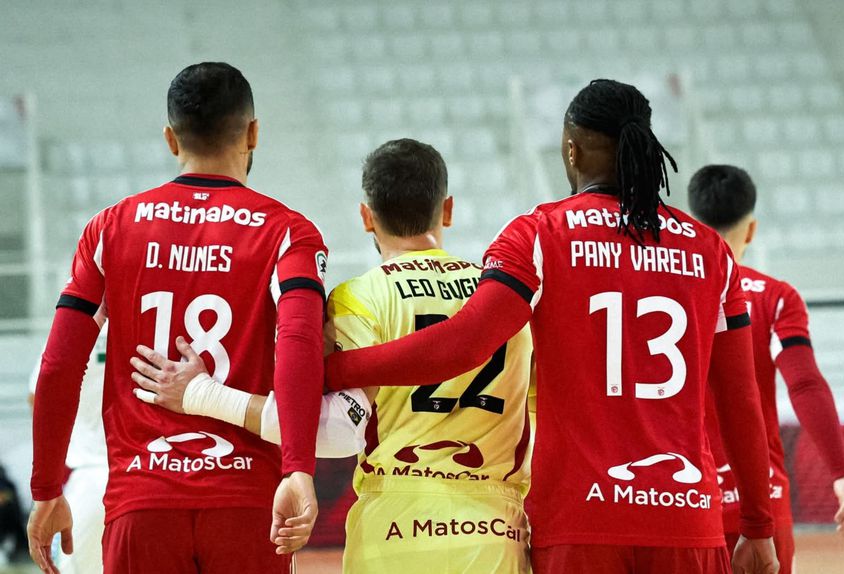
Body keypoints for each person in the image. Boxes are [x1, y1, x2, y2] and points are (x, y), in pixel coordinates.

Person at [322, 80, 780, 574]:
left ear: (571, 148)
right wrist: (758, 524)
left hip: (580, 518)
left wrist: (334, 368)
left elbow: (463, 344)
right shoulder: (710, 251)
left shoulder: (541, 233)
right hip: (687, 520)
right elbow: (741, 400)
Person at [129, 139, 536, 573]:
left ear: (366, 216)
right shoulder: (504, 303)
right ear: (448, 209)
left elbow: (333, 429)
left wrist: (205, 395)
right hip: (495, 533)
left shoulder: (360, 297)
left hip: (394, 531)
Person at [28, 62, 325, 574]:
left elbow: (58, 367)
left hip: (142, 498)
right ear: (253, 132)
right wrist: (299, 468)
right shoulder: (289, 232)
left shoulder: (110, 228)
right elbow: (299, 342)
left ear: (170, 138)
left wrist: (47, 488)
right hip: (247, 498)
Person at [688, 164, 844, 573]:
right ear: (750, 230)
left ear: (694, 224)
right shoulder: (776, 297)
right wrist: (841, 473)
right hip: (762, 501)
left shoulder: (667, 290)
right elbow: (804, 383)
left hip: (683, 498)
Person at [27, 318, 109, 573]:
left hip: (86, 476)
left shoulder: (73, 322)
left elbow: (37, 395)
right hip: (146, 470)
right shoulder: (150, 317)